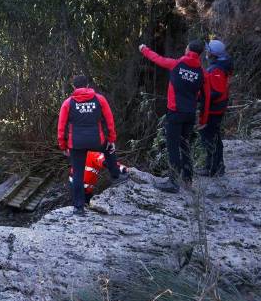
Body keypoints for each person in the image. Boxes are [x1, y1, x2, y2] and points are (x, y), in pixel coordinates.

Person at [139, 40, 210, 191]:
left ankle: (173, 182)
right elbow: (207, 97)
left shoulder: (176, 64)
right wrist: (203, 119)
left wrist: (144, 49)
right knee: (185, 146)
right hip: (189, 115)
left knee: (172, 147)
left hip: (175, 114)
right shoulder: (202, 73)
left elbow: (157, 59)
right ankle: (188, 180)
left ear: (188, 50)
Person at [57, 75, 125, 215]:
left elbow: (61, 127)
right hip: (97, 140)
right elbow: (109, 119)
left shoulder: (68, 103)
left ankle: (78, 207)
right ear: (88, 86)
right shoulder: (99, 99)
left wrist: (63, 146)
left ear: (74, 87)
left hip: (76, 144)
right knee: (109, 149)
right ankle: (115, 176)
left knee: (77, 174)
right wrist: (112, 138)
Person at [198, 39, 233, 177]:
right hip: (216, 107)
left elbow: (217, 91)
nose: (206, 52)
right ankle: (216, 166)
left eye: (208, 50)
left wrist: (200, 97)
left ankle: (213, 168)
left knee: (209, 138)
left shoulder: (217, 69)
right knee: (214, 138)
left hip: (214, 109)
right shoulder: (221, 65)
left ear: (213, 53)